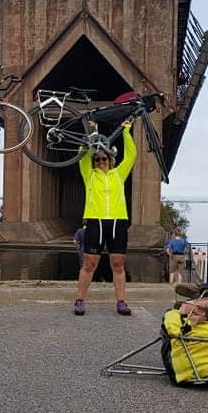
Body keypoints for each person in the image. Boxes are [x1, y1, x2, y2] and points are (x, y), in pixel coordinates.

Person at [73, 120, 136, 316]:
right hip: (95, 221)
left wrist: (126, 131)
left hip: (118, 221)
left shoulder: (119, 174)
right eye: (97, 159)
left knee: (117, 264)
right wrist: (91, 132)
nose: (101, 162)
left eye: (104, 159)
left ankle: (121, 302)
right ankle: (80, 300)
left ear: (110, 160)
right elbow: (82, 153)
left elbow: (132, 155)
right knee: (89, 264)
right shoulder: (89, 174)